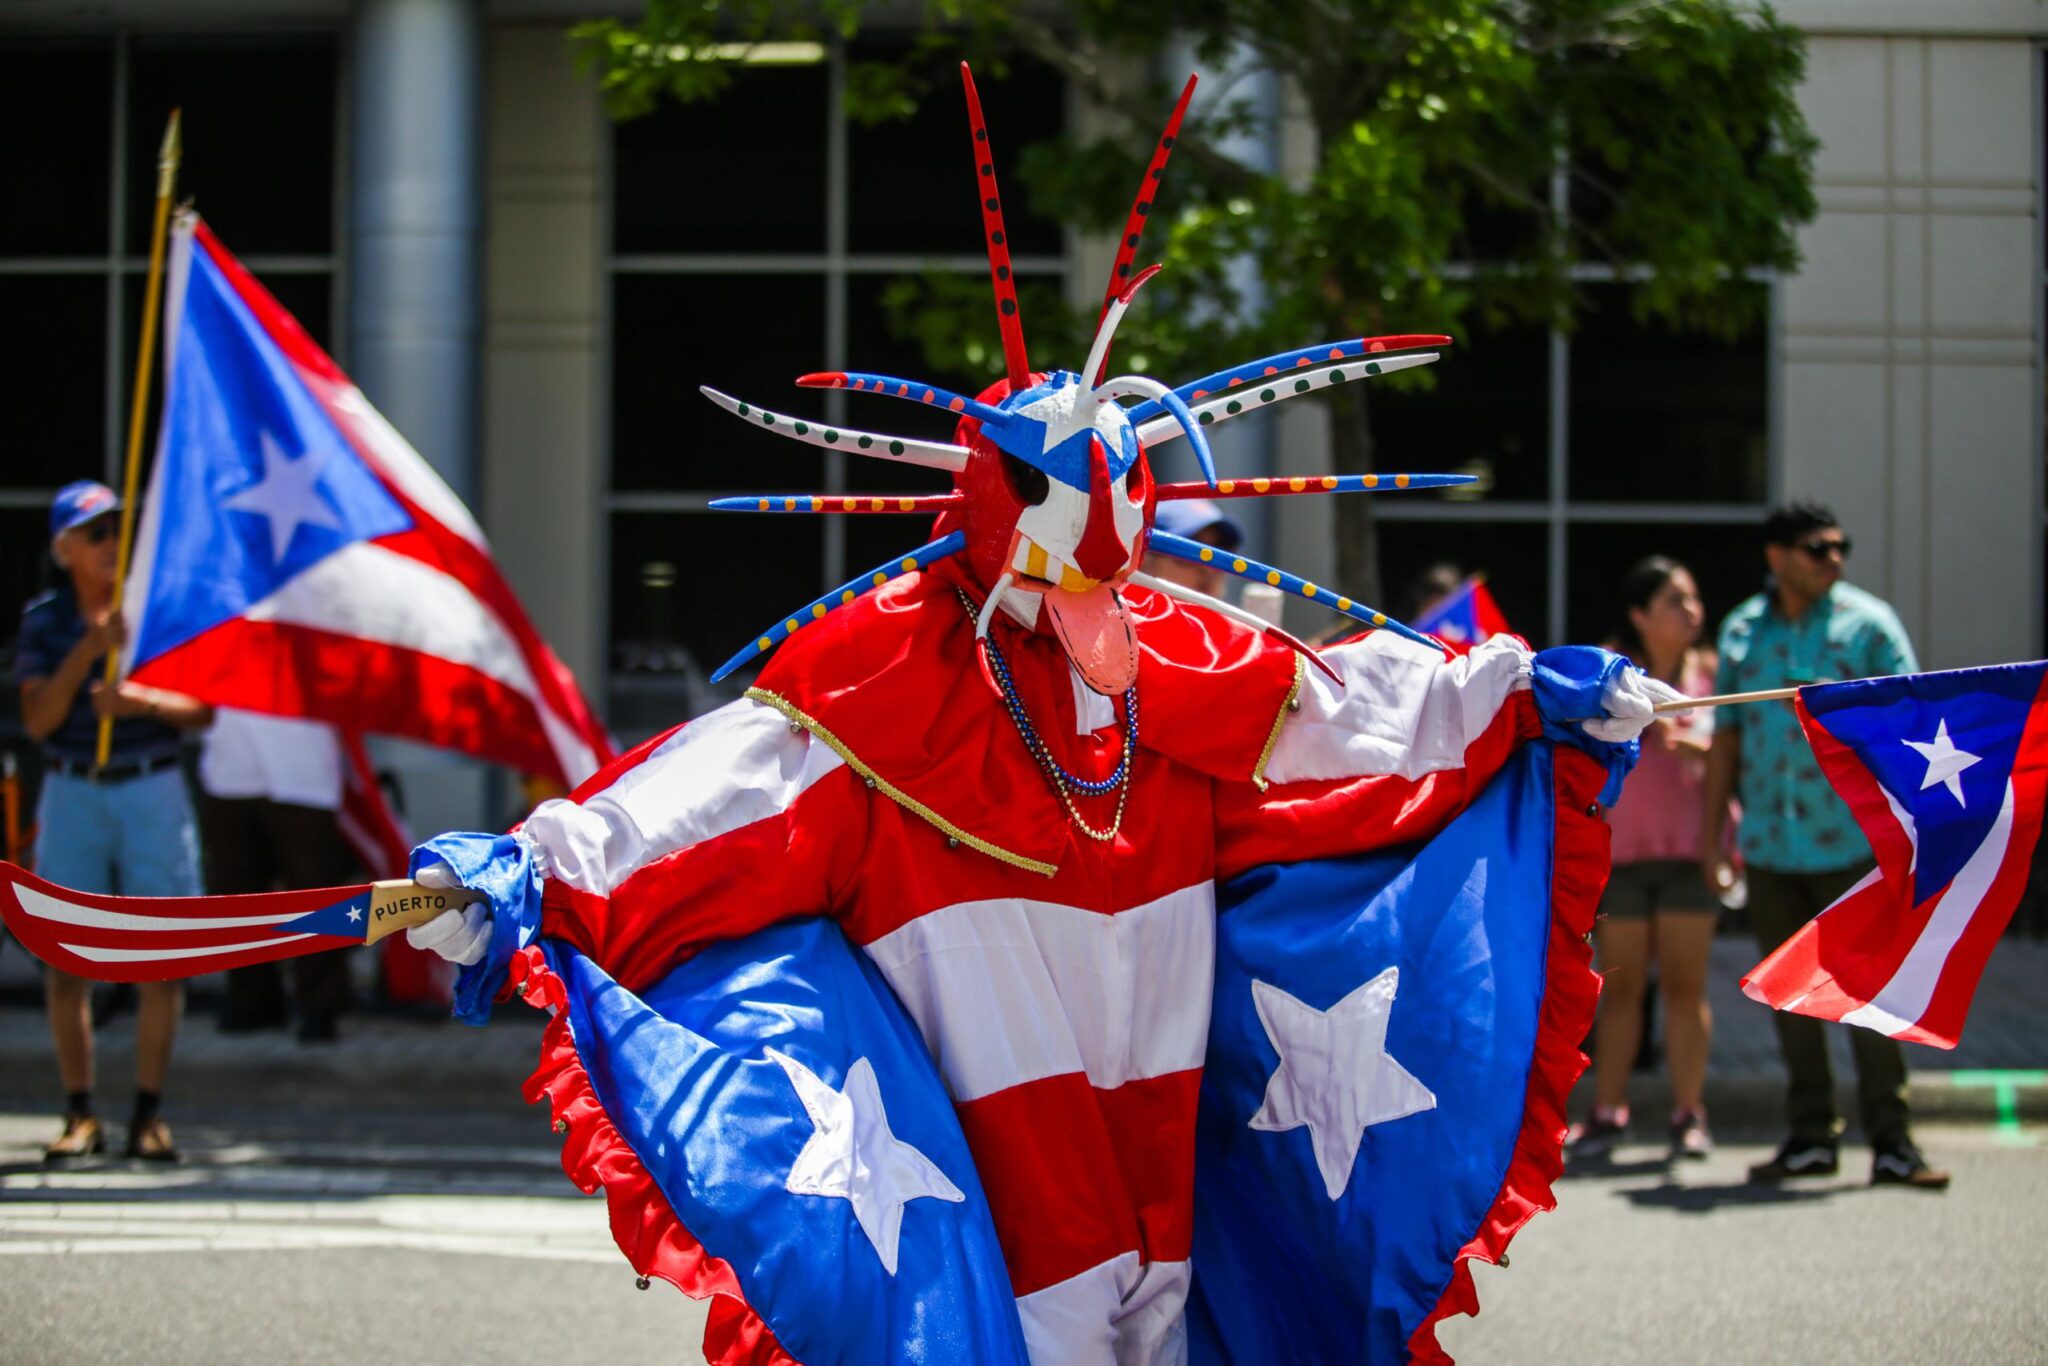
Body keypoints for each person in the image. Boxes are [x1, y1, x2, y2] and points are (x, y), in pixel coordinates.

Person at [1703, 500, 1949, 1190]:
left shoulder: (1868, 625)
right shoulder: (1743, 631)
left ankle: (1894, 1141)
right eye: (1818, 547)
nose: (1834, 558)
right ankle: (1811, 1136)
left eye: (1842, 546)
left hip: (1853, 844)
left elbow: (1914, 718)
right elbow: (1726, 739)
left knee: (1870, 993)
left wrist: (1843, 710)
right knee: (1789, 997)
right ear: (1776, 556)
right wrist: (1710, 836)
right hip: (1771, 846)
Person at [15, 480, 212, 1162]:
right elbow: (39, 721)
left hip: (150, 789)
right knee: (66, 958)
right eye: (95, 533)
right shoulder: (44, 621)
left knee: (164, 958)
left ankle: (147, 1114)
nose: (109, 545)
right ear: (63, 547)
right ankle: (79, 1113)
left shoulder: (157, 606)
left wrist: (142, 704)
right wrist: (88, 651)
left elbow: (202, 709)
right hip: (74, 791)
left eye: (116, 532)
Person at [1572, 557, 1726, 1160]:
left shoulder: (1713, 673)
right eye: (1674, 601)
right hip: (1622, 856)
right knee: (1622, 988)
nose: (1691, 611)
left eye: (1692, 599)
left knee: (1687, 990)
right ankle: (1608, 1112)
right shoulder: (1610, 675)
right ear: (1640, 615)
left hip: (1691, 853)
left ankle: (1690, 1113)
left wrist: (1698, 747)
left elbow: (1732, 753)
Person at [199, 709, 358, 1042]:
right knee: (236, 896)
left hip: (304, 773)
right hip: (229, 770)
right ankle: (252, 1001)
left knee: (315, 896)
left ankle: (320, 1006)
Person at [1140, 498, 1243, 601]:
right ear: (1142, 560)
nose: (1208, 569)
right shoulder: (1126, 613)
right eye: (1190, 551)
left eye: (1220, 552)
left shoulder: (1245, 616)